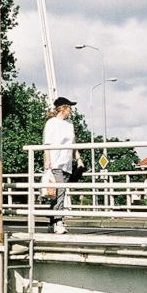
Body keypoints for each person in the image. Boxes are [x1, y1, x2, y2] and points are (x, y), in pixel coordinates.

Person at [43, 96, 84, 234]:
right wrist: (47, 161)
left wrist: (78, 159)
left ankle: (51, 223)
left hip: (67, 163)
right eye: (69, 107)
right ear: (63, 108)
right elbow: (47, 143)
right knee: (59, 192)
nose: (71, 110)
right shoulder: (51, 123)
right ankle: (58, 222)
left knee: (59, 193)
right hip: (55, 162)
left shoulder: (70, 125)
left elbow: (73, 144)